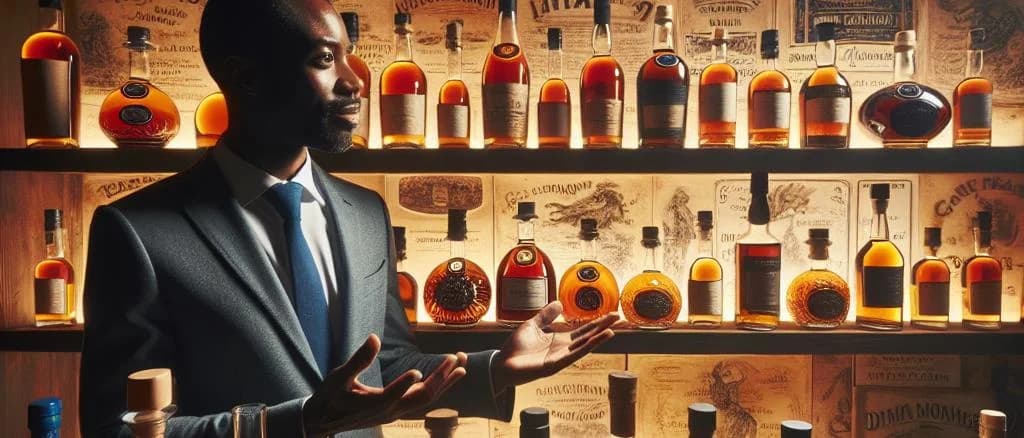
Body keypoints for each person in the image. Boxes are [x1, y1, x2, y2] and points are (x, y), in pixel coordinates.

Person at [78, 0, 617, 436]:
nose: (355, 81)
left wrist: (495, 366)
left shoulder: (364, 214)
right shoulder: (139, 232)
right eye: (322, 60)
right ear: (246, 78)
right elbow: (116, 427)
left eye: (349, 56)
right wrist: (301, 423)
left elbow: (387, 364)